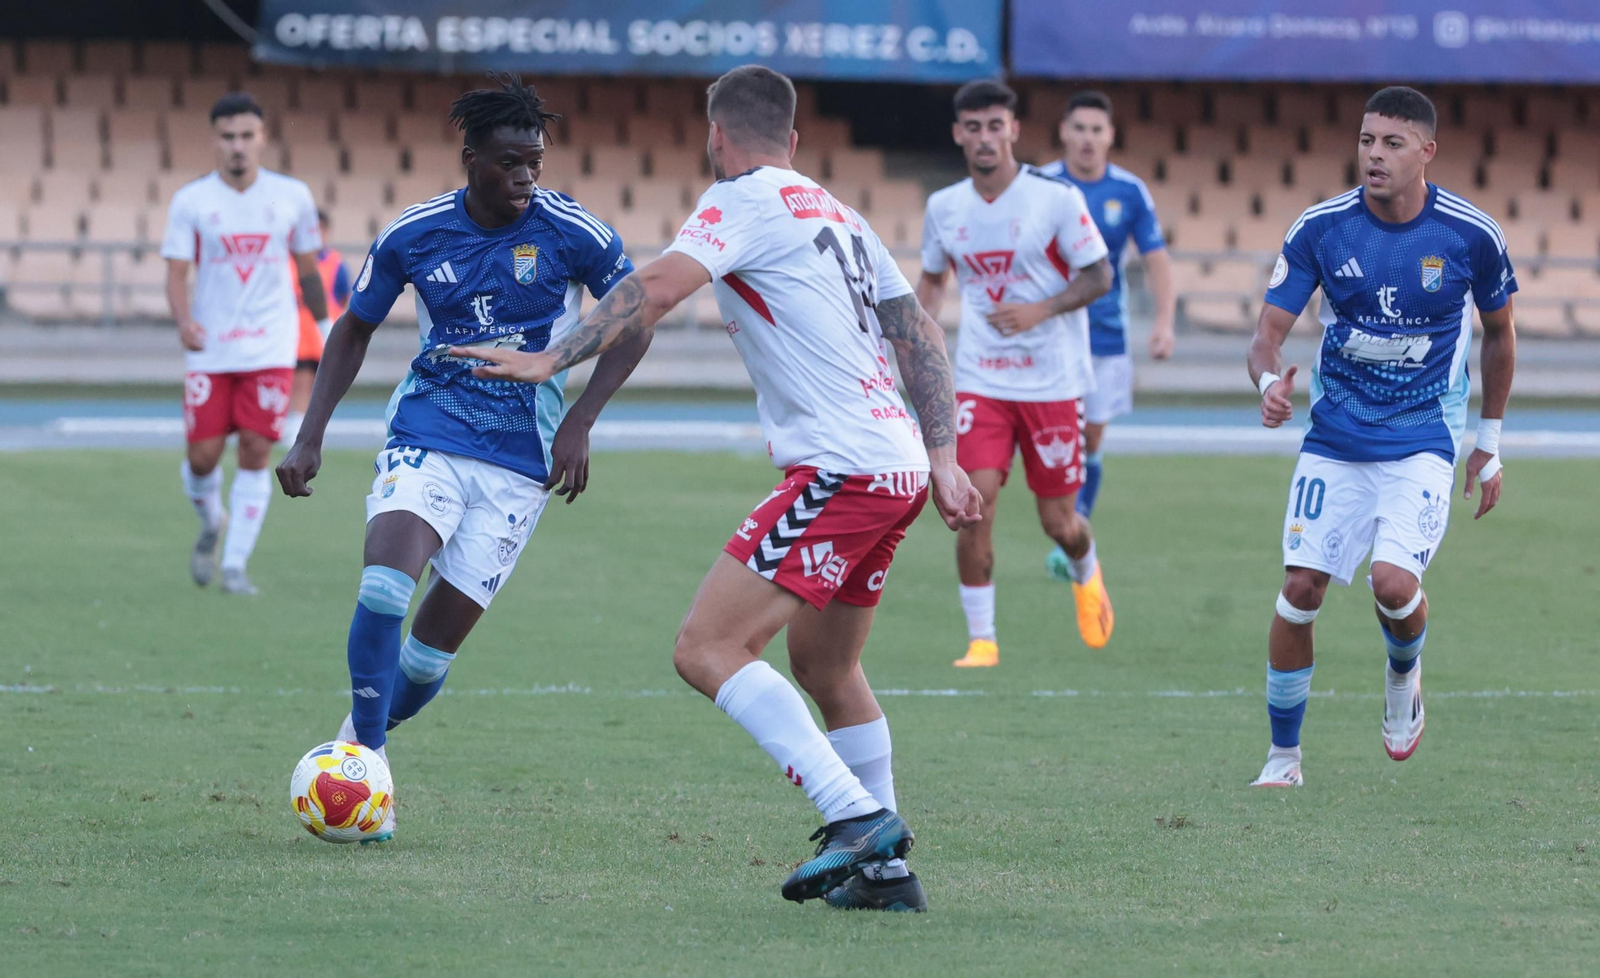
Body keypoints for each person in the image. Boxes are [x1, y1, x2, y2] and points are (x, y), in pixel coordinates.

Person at [456, 65, 983, 911]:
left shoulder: (742, 199)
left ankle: (855, 818)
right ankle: (887, 878)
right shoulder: (839, 212)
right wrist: (944, 457)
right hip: (896, 468)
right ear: (794, 139)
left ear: (716, 136)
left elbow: (660, 286)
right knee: (826, 665)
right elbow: (918, 330)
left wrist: (552, 357)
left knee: (706, 648)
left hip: (842, 468)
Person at [275, 74, 650, 840]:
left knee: (424, 664)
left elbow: (635, 319)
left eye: (535, 162)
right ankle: (369, 769)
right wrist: (310, 433)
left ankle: (356, 743)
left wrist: (580, 421)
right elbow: (353, 328)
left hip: (521, 458)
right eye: (511, 162)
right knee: (385, 586)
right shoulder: (416, 234)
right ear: (471, 157)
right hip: (430, 431)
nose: (526, 177)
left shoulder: (571, 231)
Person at [1245, 86, 1516, 787]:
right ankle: (1283, 757)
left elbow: (1501, 334)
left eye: (1392, 143)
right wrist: (1269, 383)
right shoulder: (1322, 228)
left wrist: (1488, 442)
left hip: (1422, 436)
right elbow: (1266, 336)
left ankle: (1403, 674)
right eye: (1367, 140)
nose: (1374, 154)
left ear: (1427, 151)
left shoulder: (1470, 234)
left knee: (1393, 586)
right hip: (1334, 437)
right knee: (1299, 589)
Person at [917, 80, 1114, 669]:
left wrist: (1040, 309)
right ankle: (982, 640)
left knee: (1059, 522)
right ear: (958, 134)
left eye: (995, 126)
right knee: (971, 502)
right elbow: (933, 279)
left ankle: (1086, 569)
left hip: (1052, 382)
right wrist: (914, 336)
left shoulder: (1054, 200)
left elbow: (1099, 275)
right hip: (982, 379)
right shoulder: (944, 207)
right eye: (973, 127)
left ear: (1014, 130)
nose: (985, 137)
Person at [162, 92, 330, 595]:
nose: (237, 145)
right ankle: (212, 521)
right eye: (228, 136)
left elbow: (309, 271)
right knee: (202, 458)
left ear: (262, 138)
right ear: (215, 140)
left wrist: (325, 330)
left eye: (246, 135)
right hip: (211, 348)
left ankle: (235, 565)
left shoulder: (292, 196)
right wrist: (183, 321)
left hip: (270, 345)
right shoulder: (191, 201)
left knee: (258, 450)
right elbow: (175, 274)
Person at [1037, 90, 1176, 526]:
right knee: (1057, 437)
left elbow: (1157, 259)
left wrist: (1164, 322)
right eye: (1079, 128)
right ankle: (1065, 522)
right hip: (1050, 332)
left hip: (1106, 332)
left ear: (1110, 135)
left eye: (1096, 130)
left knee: (1091, 437)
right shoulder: (1041, 185)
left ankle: (1076, 521)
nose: (1087, 138)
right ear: (1064, 131)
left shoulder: (1129, 191)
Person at [283, 209, 351, 445]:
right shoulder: (289, 262)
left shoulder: (335, 263)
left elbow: (343, 296)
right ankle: (295, 425)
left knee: (314, 383)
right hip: (295, 333)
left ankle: (305, 427)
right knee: (299, 381)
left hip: (321, 335)